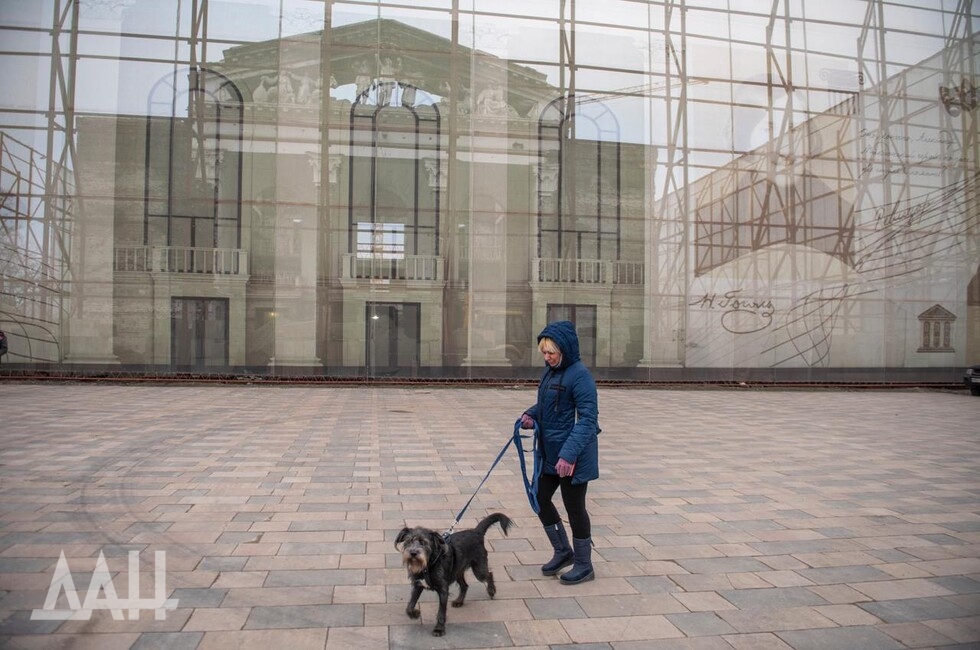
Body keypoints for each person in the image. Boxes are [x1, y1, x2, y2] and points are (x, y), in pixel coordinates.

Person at [520, 320, 600, 584]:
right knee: (540, 498)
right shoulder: (551, 372)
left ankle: (584, 565)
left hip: (573, 456)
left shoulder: (580, 376)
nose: (546, 357)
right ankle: (563, 551)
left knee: (574, 507)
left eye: (550, 352)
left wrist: (569, 456)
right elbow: (547, 405)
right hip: (551, 452)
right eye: (543, 352)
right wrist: (530, 415)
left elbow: (588, 420)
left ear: (564, 349)